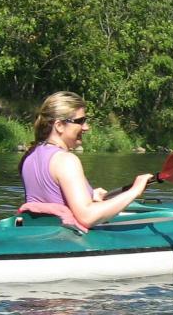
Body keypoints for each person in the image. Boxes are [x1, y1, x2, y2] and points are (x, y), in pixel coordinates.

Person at [19, 91, 153, 228]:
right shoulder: (66, 160)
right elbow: (87, 217)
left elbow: (49, 196)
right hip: (68, 237)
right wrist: (134, 191)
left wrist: (89, 194)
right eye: (80, 121)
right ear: (59, 125)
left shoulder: (29, 156)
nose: (86, 127)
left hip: (39, 232)